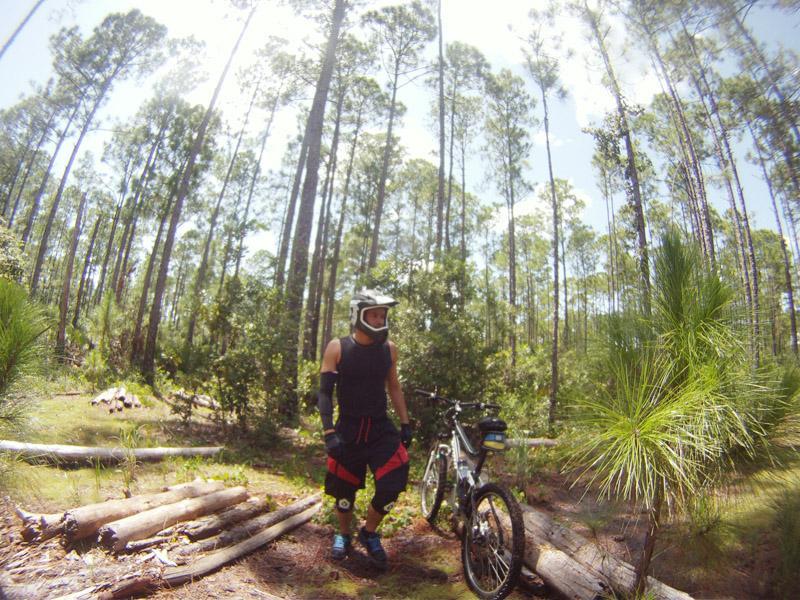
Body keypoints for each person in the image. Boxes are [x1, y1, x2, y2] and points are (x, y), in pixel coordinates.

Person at [317, 289, 412, 569]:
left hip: (380, 428)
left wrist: (405, 423)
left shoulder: (389, 349)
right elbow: (324, 393)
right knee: (343, 492)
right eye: (374, 314)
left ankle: (369, 532)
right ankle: (344, 534)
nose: (379, 318)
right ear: (359, 315)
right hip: (348, 428)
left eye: (382, 314)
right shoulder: (338, 347)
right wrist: (328, 432)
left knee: (392, 483)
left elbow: (394, 386)